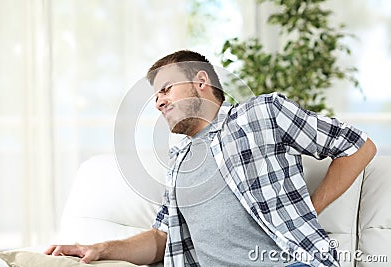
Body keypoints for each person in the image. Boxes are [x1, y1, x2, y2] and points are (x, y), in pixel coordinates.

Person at [45, 50, 377, 267]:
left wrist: (308, 210)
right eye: (155, 95)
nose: (158, 102)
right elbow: (162, 238)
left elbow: (359, 147)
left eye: (165, 89)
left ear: (201, 81)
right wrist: (100, 250)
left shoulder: (260, 114)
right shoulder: (178, 162)